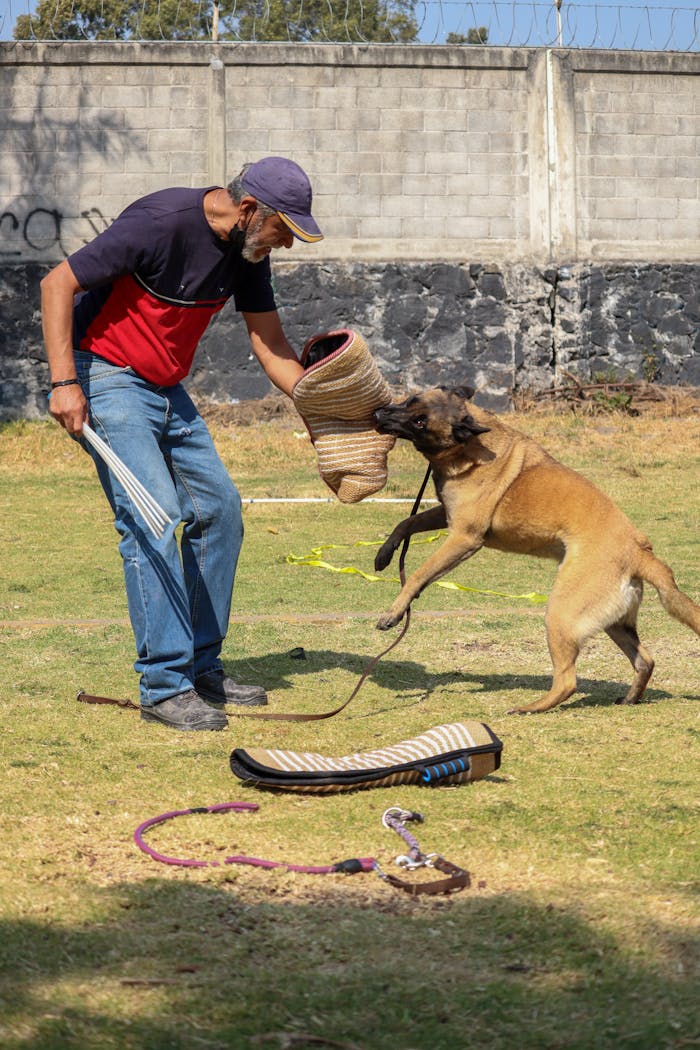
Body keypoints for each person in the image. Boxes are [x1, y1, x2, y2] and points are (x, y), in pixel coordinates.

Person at [41, 156, 323, 732]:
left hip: (166, 388)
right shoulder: (160, 221)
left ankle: (200, 666)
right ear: (249, 211)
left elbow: (270, 344)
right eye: (283, 231)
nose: (287, 245)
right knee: (153, 515)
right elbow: (58, 282)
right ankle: (164, 685)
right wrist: (64, 381)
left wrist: (327, 411)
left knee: (219, 510)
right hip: (106, 376)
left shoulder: (248, 252)